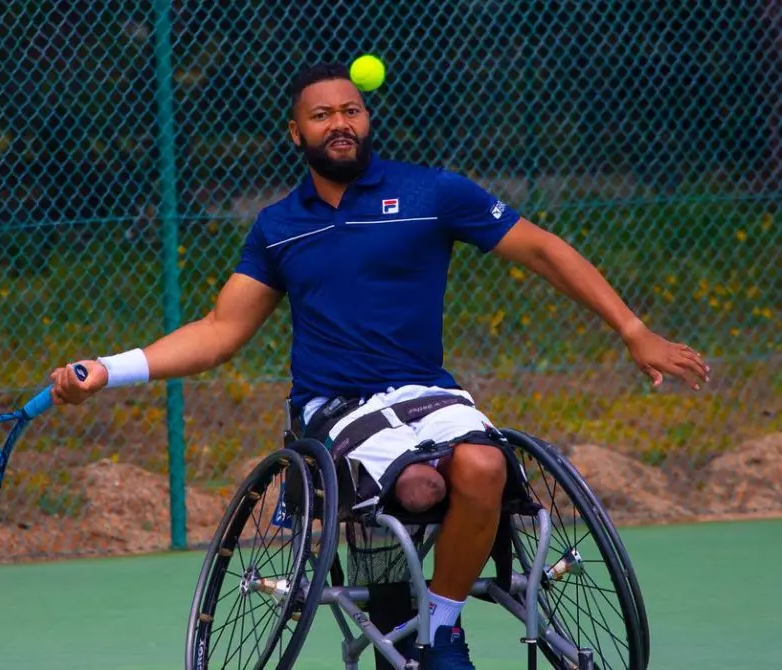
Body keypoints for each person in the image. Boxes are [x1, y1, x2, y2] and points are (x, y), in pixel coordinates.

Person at [49, 62, 710, 669]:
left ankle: (440, 631)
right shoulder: (279, 227)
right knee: (419, 488)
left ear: (367, 120)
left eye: (352, 110)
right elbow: (220, 332)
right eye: (322, 114)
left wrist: (633, 329)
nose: (341, 122)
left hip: (430, 395)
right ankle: (393, 594)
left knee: (483, 464)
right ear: (295, 132)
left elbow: (541, 250)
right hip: (333, 412)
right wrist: (109, 368)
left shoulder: (432, 191)